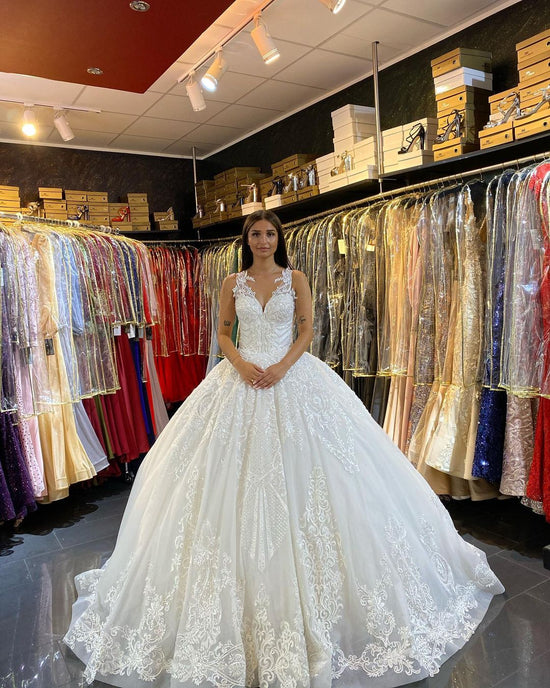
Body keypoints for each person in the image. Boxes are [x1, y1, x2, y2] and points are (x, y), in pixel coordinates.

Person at [64, 209, 504, 688]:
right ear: (246, 239)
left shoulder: (296, 278)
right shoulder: (231, 282)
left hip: (291, 377)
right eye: (255, 233)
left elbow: (306, 330)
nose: (263, 240)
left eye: (270, 233)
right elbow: (223, 333)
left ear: (279, 238)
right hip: (240, 380)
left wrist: (281, 367)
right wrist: (241, 364)